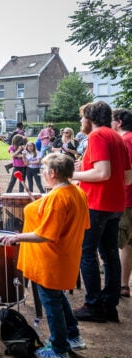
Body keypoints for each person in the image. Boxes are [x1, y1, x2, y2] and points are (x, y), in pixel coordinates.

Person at [1, 153, 90, 358]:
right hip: (65, 256)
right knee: (58, 297)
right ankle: (73, 336)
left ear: (52, 173)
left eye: (43, 170)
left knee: (51, 302)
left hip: (50, 259)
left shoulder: (59, 198)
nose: (41, 173)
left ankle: (59, 350)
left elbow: (46, 235)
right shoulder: (77, 191)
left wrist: (17, 237)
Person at [72, 101, 132, 323]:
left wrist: (73, 175)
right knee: (109, 255)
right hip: (116, 204)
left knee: (86, 253)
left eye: (82, 118)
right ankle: (109, 305)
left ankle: (94, 305)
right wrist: (86, 170)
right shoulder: (117, 136)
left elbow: (102, 173)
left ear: (90, 118)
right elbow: (127, 176)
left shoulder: (97, 136)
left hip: (97, 204)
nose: (80, 122)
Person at [112, 108, 132, 298]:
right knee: (128, 245)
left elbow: (127, 176)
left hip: (127, 199)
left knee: (116, 244)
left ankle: (116, 286)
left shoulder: (125, 141)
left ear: (118, 122)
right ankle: (123, 285)